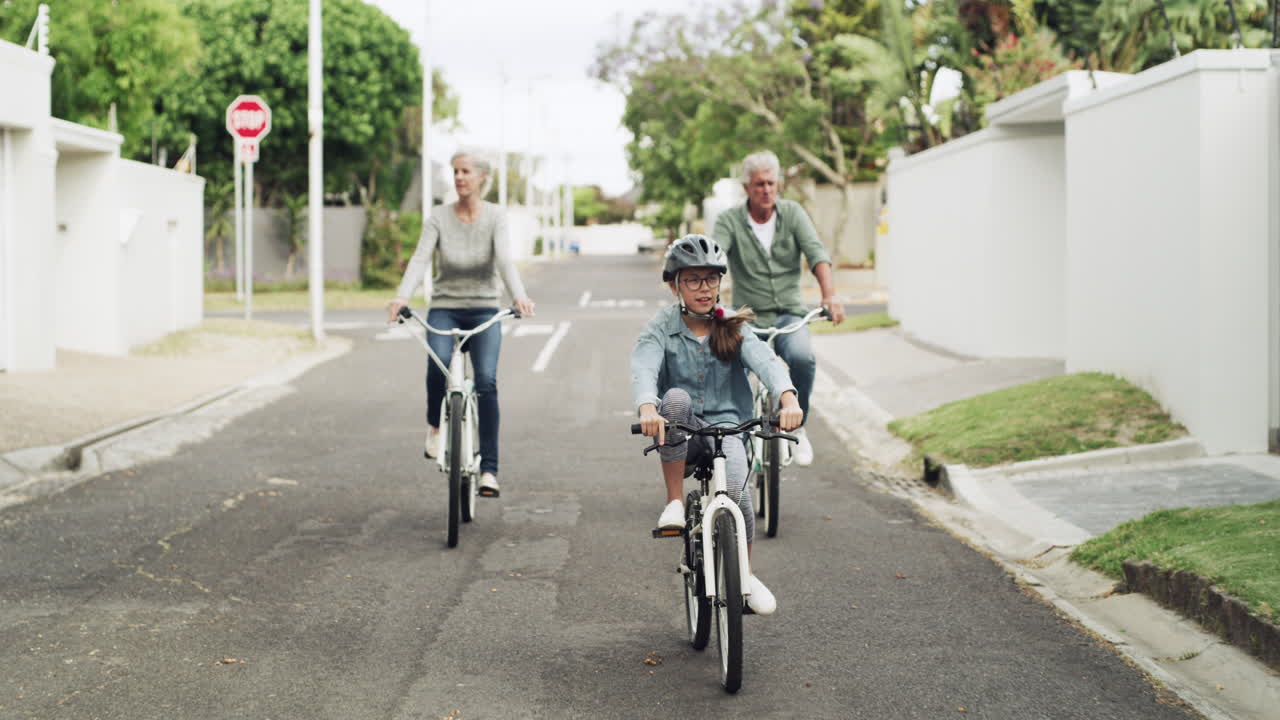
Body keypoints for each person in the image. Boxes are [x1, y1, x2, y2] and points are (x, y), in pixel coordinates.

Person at [631, 234, 803, 616]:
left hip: (729, 428)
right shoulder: (661, 327)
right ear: (675, 286)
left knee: (740, 497)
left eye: (711, 279)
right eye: (693, 280)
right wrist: (647, 407)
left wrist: (788, 398)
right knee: (675, 398)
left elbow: (766, 361)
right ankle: (675, 502)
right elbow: (644, 366)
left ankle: (745, 575)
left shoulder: (732, 325)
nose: (704, 288)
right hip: (683, 432)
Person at [388, 149, 536, 498]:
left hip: (484, 308)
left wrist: (519, 296)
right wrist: (401, 297)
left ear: (482, 177)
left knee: (486, 381)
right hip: (446, 307)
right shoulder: (438, 217)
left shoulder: (495, 216)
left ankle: (489, 470)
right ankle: (435, 427)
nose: (459, 177)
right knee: (437, 364)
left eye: (466, 171)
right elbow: (420, 258)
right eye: (455, 171)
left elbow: (504, 261)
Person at [711, 150, 847, 467]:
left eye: (771, 183)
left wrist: (830, 295)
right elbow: (715, 258)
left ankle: (797, 426)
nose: (766, 190)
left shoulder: (793, 214)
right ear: (747, 187)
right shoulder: (729, 220)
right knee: (732, 370)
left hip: (789, 314)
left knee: (802, 357)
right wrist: (710, 298)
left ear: (779, 184)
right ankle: (737, 439)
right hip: (746, 317)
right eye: (759, 184)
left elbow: (816, 254)